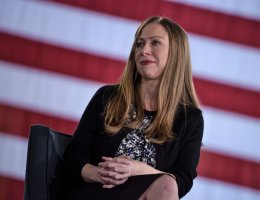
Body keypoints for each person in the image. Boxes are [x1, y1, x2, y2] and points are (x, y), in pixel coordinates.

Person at [61, 16, 204, 200]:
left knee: (168, 185)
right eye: (139, 44)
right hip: (96, 192)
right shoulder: (107, 97)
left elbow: (183, 180)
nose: (144, 50)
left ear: (175, 54)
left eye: (155, 43)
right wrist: (98, 173)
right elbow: (74, 156)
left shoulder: (190, 118)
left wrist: (141, 170)